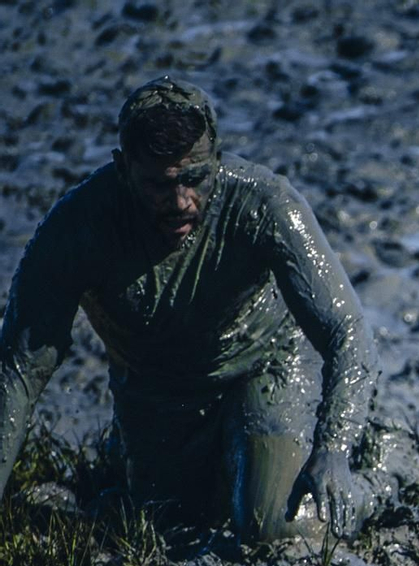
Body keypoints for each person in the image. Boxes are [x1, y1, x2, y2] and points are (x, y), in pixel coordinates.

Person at [0, 76, 381, 541]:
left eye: (194, 178)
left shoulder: (263, 204)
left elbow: (347, 328)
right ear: (123, 170)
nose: (180, 202)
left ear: (216, 160)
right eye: (159, 185)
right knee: (161, 525)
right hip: (156, 394)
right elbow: (17, 372)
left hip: (261, 367)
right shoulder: (77, 229)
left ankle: (377, 476)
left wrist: (335, 446)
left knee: (271, 524)